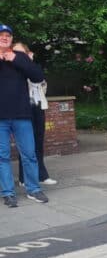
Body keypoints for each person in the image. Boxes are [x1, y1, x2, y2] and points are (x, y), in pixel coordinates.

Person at [0, 24, 49, 207]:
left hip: (21, 114)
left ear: (11, 40)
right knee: (2, 156)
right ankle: (8, 193)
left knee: (29, 154)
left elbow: (38, 76)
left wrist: (15, 59)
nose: (5, 38)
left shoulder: (20, 57)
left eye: (8, 35)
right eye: (1, 35)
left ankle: (33, 189)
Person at [14, 43, 57, 186]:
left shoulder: (32, 67)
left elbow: (42, 83)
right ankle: (23, 177)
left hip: (37, 107)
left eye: (22, 53)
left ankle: (42, 175)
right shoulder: (13, 68)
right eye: (16, 53)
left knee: (38, 142)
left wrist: (30, 63)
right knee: (25, 144)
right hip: (22, 109)